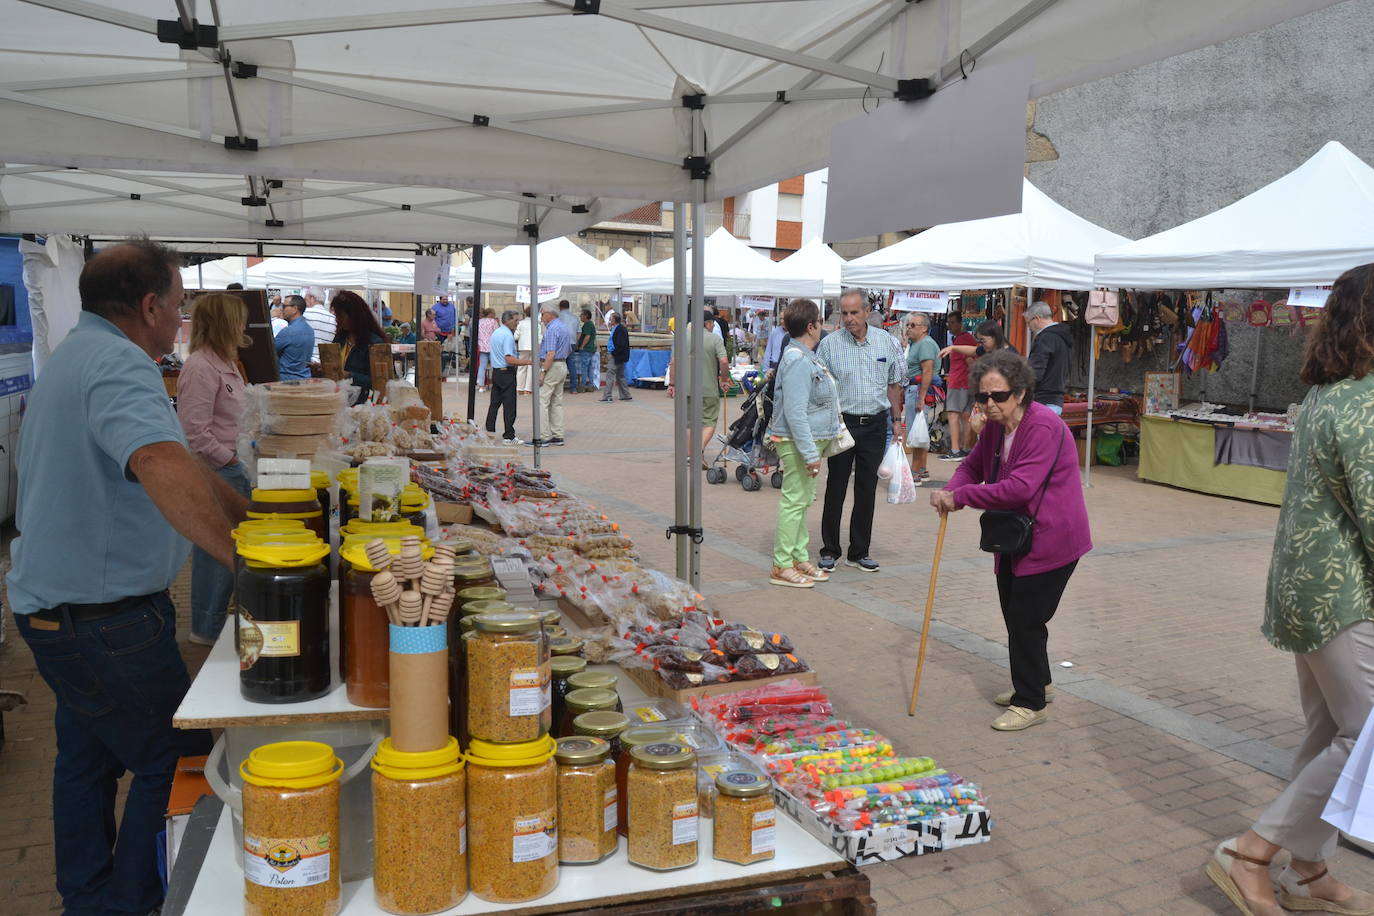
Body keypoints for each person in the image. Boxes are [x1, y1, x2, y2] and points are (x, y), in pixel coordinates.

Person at [7, 239, 243, 916]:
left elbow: (180, 456)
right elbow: (158, 461)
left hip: (59, 611)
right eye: (178, 304)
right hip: (103, 620)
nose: (180, 318)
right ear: (149, 306)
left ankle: (86, 898)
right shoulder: (118, 363)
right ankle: (131, 904)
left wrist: (250, 519)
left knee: (85, 760)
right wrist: (248, 560)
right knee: (177, 757)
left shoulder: (77, 354)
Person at [1206, 263, 1374, 916]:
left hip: (1310, 592)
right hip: (1342, 595)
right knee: (1362, 737)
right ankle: (1250, 854)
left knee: (1332, 732)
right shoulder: (1364, 400)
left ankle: (1306, 868)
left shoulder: (1331, 393)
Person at [929, 349, 1090, 731]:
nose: (989, 404)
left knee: (1025, 619)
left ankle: (1030, 702)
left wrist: (961, 497)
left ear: (1019, 393)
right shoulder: (997, 426)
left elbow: (1020, 487)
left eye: (998, 396)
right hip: (1015, 537)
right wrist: (951, 490)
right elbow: (972, 465)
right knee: (1016, 614)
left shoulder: (1043, 427)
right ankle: (1038, 683)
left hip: (1053, 538)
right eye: (983, 396)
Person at [177, 292, 252, 645]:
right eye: (239, 320)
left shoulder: (225, 362)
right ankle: (205, 628)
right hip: (219, 471)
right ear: (224, 323)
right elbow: (195, 433)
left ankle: (216, 621)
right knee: (216, 550)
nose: (244, 326)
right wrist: (231, 460)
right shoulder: (200, 367)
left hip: (234, 467)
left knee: (229, 548)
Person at [814, 289, 905, 573]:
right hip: (843, 425)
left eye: (854, 312)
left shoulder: (886, 342)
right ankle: (830, 550)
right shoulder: (829, 345)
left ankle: (859, 551)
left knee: (866, 490)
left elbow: (893, 385)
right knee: (836, 488)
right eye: (845, 313)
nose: (849, 318)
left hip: (875, 425)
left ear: (867, 312)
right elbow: (819, 387)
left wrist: (897, 420)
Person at [766, 298, 838, 588]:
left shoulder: (805, 356)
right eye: (819, 321)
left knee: (802, 501)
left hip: (807, 440)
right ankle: (782, 563)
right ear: (811, 326)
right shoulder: (797, 359)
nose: (822, 326)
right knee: (795, 501)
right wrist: (810, 453)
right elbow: (795, 412)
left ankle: (797, 556)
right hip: (798, 441)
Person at [666, 309, 731, 462]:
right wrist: (724, 379)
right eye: (712, 324)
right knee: (709, 421)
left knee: (689, 423)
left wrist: (672, 384)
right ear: (707, 324)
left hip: (686, 388)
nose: (713, 326)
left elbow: (673, 362)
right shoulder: (715, 339)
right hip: (708, 389)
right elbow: (724, 361)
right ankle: (697, 451)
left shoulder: (682, 338)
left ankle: (691, 455)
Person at [330, 290, 388, 402]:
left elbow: (381, 381)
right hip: (340, 401)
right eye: (336, 316)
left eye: (341, 316)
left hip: (363, 406)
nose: (337, 320)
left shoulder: (374, 343)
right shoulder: (340, 338)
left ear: (354, 316)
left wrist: (350, 375)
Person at [904, 313, 941, 484]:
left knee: (916, 432)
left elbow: (927, 371)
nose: (908, 328)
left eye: (913, 325)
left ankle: (915, 471)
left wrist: (921, 397)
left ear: (924, 328)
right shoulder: (916, 343)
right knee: (919, 430)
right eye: (908, 325)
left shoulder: (925, 344)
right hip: (916, 389)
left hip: (918, 390)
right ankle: (922, 469)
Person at [486, 309, 530, 442]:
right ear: (508, 320)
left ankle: (489, 431)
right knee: (509, 405)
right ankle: (509, 435)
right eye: (515, 320)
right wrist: (528, 362)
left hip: (496, 372)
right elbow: (509, 359)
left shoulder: (496, 332)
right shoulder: (507, 336)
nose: (517, 323)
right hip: (506, 373)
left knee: (494, 404)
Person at [533, 302, 573, 447]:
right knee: (556, 401)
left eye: (542, 314)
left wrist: (543, 371)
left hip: (553, 365)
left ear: (549, 314)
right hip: (562, 364)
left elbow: (550, 353)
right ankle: (557, 434)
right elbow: (568, 349)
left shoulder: (552, 329)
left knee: (542, 400)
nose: (541, 317)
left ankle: (544, 436)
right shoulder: (563, 327)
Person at [940, 312, 978, 461]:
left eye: (953, 322)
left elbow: (970, 361)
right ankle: (966, 448)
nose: (949, 325)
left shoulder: (962, 340)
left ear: (960, 323)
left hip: (959, 382)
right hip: (967, 382)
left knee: (953, 415)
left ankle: (955, 450)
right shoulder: (966, 339)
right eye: (948, 323)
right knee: (966, 415)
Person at [1024, 301, 1072, 414]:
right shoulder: (1062, 336)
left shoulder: (1045, 338)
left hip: (1042, 400)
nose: (1028, 327)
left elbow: (1035, 372)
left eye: (1028, 322)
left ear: (1037, 318)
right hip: (1056, 399)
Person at [274, 293, 314, 380]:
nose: (282, 309)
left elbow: (270, 351)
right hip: (304, 378)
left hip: (287, 380)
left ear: (295, 309)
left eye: (284, 306)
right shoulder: (310, 330)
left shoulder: (288, 332)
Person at [940, 318, 1019, 361]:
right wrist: (953, 348)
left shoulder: (1010, 355)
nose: (981, 344)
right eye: (979, 341)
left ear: (994, 337)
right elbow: (973, 350)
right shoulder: (989, 349)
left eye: (983, 340)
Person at [601, 310, 633, 402]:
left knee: (610, 375)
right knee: (620, 376)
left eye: (611, 319)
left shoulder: (620, 329)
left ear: (615, 320)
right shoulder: (618, 328)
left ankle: (607, 396)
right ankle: (625, 395)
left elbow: (620, 344)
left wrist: (614, 353)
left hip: (616, 356)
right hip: (619, 356)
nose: (609, 321)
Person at [302, 287, 336, 362]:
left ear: (312, 298)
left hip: (307, 361)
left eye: (305, 299)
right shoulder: (334, 319)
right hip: (325, 362)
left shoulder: (304, 314)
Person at [573, 308, 597, 394]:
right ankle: (590, 385)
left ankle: (582, 385)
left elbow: (587, 336)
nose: (580, 316)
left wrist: (582, 346)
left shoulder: (587, 325)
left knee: (584, 367)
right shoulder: (590, 324)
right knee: (589, 367)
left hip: (586, 349)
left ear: (586, 316)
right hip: (590, 349)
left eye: (581, 315)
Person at [477, 306, 498, 391]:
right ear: (490, 314)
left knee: (482, 366)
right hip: (492, 346)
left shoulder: (479, 321)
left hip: (482, 346)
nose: (494, 315)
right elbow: (497, 333)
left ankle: (481, 385)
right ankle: (495, 384)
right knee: (494, 366)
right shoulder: (493, 321)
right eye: (493, 313)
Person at [515, 306, 534, 394]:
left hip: (523, 347)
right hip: (534, 347)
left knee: (521, 367)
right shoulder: (536, 323)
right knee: (531, 367)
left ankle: (520, 388)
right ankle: (528, 389)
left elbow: (516, 336)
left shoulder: (520, 323)